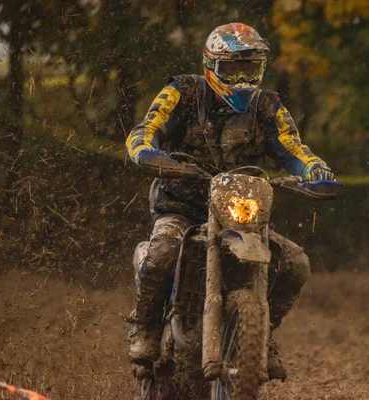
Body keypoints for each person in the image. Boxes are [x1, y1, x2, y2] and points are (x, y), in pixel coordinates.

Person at [125, 22, 334, 380]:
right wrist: (148, 153)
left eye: (249, 69)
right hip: (181, 206)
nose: (241, 80)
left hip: (241, 215)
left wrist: (315, 169)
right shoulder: (183, 92)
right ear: (211, 66)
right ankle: (144, 327)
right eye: (232, 69)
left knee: (295, 263)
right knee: (161, 254)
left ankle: (262, 334)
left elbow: (292, 146)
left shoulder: (267, 106)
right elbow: (146, 128)